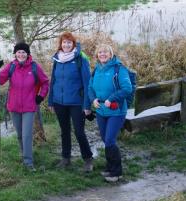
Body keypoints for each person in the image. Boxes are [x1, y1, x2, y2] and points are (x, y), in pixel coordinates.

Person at [48, 32, 94, 172]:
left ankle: (88, 159)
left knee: (79, 132)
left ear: (73, 44)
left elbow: (87, 84)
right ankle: (66, 158)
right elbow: (53, 81)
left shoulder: (80, 59)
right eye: (64, 42)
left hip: (76, 102)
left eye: (69, 42)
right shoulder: (57, 59)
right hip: (59, 102)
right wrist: (51, 101)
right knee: (64, 131)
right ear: (60, 44)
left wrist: (87, 105)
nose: (66, 45)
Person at [0, 42, 49, 171]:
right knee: (20, 135)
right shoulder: (11, 66)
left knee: (26, 134)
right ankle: (23, 154)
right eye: (18, 52)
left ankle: (28, 162)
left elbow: (45, 82)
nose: (21, 54)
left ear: (28, 54)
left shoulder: (34, 67)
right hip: (14, 106)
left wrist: (40, 96)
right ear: (15, 54)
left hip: (29, 106)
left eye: (23, 52)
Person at [88, 44, 132, 182]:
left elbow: (127, 88)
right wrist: (93, 99)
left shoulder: (119, 69)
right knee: (105, 139)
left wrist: (111, 98)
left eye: (105, 52)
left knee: (110, 140)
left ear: (111, 54)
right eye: (100, 52)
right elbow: (90, 87)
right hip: (101, 111)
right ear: (97, 55)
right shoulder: (96, 70)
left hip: (116, 111)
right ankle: (109, 168)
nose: (102, 54)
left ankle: (116, 172)